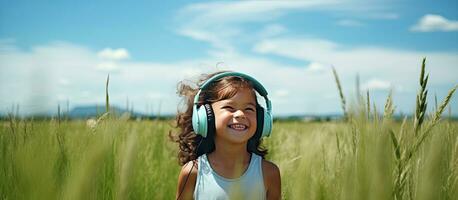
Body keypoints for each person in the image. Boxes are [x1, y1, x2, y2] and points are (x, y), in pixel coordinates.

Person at [171, 71, 281, 200]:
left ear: (262, 120)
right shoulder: (192, 172)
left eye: (249, 109)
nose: (240, 114)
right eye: (230, 107)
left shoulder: (268, 173)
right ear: (205, 118)